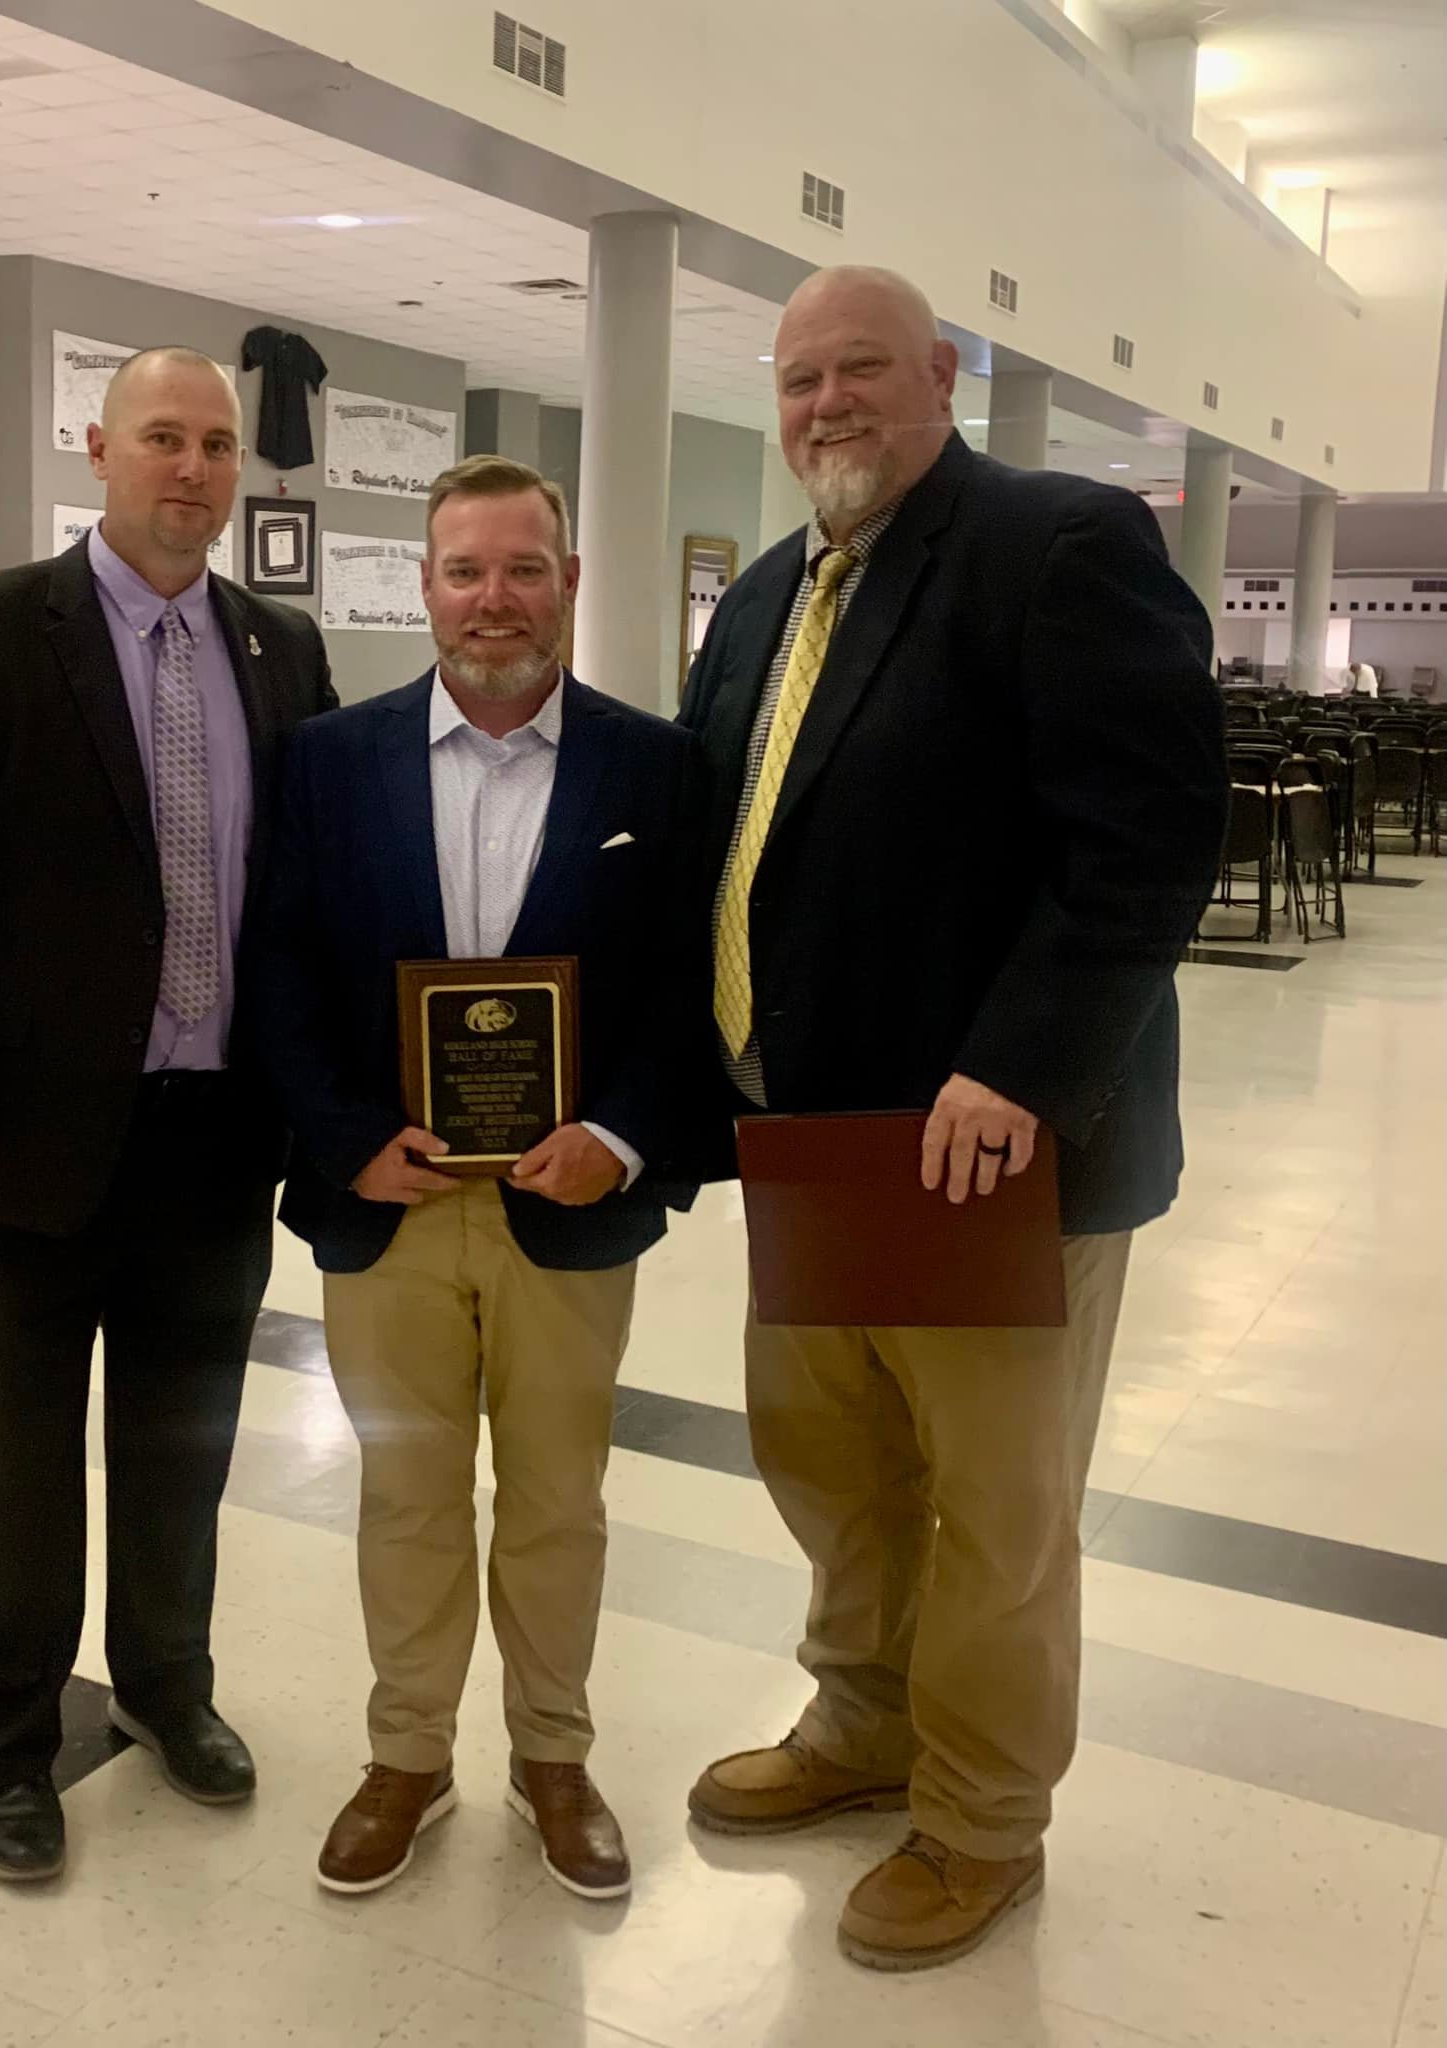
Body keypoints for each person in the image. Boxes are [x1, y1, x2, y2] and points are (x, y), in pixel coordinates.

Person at [677, 269, 1226, 1969]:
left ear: (942, 375)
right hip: (814, 1147)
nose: (825, 404)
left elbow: (1149, 836)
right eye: (797, 379)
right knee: (838, 1470)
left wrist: (1022, 1065)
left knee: (996, 1513)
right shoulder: (764, 600)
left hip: (990, 1157)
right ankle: (863, 1723)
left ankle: (983, 1815)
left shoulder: (1055, 546)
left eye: (860, 369)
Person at [0, 346, 336, 1883]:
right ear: (98, 448)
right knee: (10, 1470)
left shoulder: (281, 648)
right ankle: (6, 1749)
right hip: (20, 1146)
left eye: (216, 444)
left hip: (216, 1140)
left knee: (183, 1447)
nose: (191, 468)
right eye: (162, 438)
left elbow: (309, 898)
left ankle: (167, 1690)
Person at [252, 454, 708, 1901]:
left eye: (522, 569)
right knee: (406, 1494)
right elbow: (279, 972)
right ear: (425, 586)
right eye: (465, 571)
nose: (493, 599)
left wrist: (619, 1138)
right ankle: (407, 1756)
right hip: (388, 1207)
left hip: (570, 1210)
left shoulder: (656, 767)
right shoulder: (330, 761)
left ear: (567, 582)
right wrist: (344, 1137)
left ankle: (553, 1757)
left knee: (560, 1498)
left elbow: (691, 990)